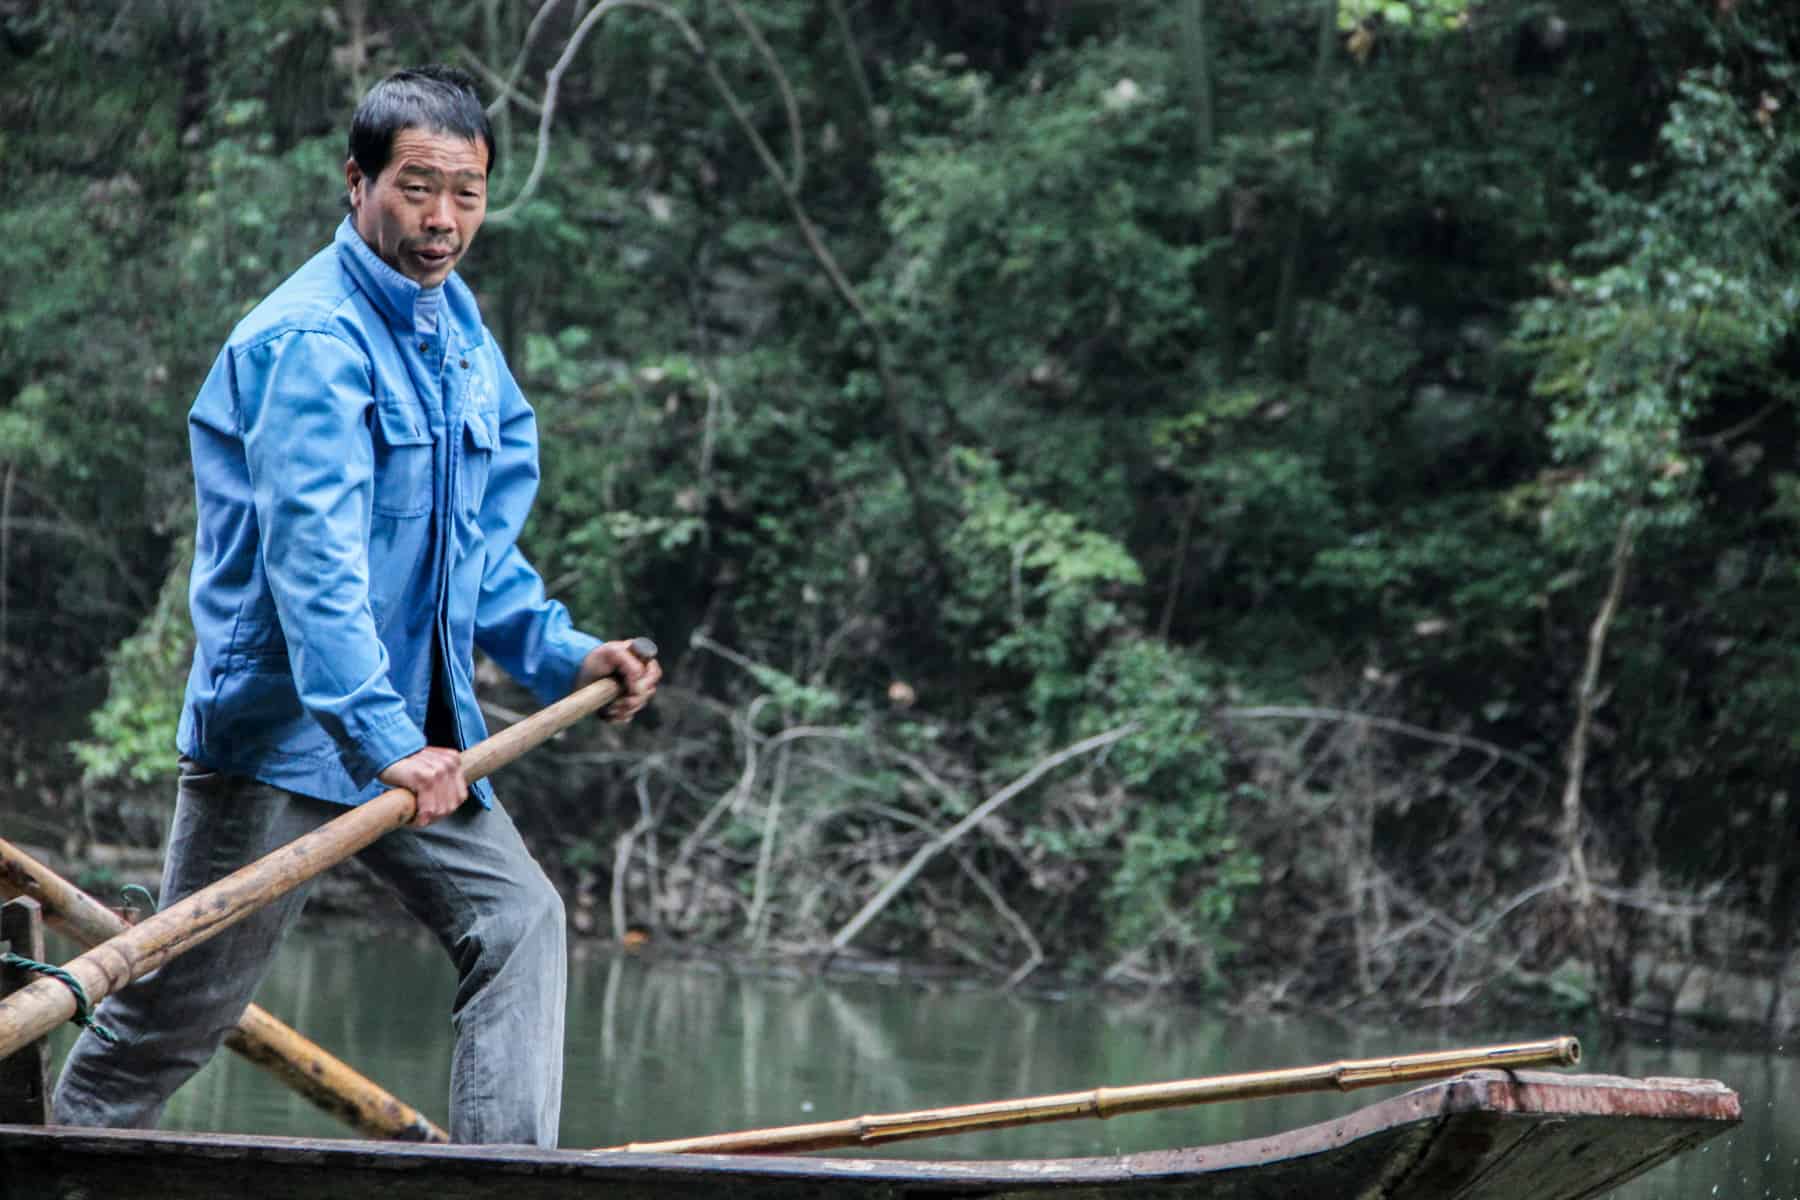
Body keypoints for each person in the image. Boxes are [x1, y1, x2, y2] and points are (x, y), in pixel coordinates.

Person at [51, 65, 658, 1146]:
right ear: (357, 181)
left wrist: (564, 654)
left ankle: (500, 1178)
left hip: (418, 743)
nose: (442, 220)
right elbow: (313, 571)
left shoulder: (460, 335)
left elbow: (477, 551)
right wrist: (384, 741)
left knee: (519, 919)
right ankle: (57, 1163)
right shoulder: (310, 344)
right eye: (417, 188)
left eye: (465, 193)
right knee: (177, 1016)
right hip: (283, 740)